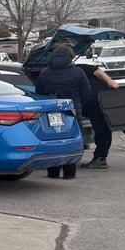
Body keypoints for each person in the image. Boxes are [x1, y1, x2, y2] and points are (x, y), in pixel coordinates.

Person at [35, 44, 89, 179]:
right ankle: (69, 173)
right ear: (71, 56)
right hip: (72, 110)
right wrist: (78, 104)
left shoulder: (44, 73)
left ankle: (52, 172)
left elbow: (38, 93)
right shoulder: (78, 72)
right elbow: (86, 92)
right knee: (71, 140)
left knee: (53, 139)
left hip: (50, 110)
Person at [81, 66, 125, 169]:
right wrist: (110, 82)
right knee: (121, 121)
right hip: (103, 98)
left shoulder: (79, 67)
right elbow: (98, 72)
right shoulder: (80, 67)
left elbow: (96, 71)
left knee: (104, 129)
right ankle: (100, 158)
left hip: (96, 101)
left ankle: (100, 158)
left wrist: (110, 81)